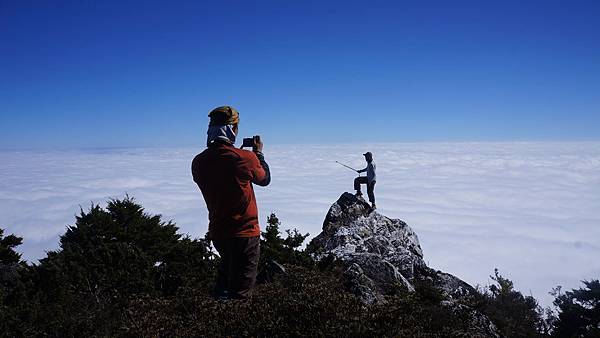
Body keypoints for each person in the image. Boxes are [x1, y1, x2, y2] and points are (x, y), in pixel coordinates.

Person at [191, 106, 271, 300]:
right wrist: (258, 154)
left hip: (218, 233)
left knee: (225, 283)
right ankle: (233, 326)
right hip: (245, 234)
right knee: (241, 294)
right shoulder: (245, 159)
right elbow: (264, 179)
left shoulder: (199, 162)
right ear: (233, 130)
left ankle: (212, 318)